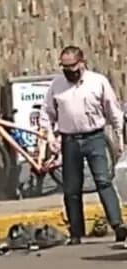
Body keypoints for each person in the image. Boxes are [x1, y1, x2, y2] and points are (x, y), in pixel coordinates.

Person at [39, 46, 126, 245]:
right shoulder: (57, 85)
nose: (69, 71)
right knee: (71, 188)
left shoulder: (97, 82)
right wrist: (51, 139)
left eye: (72, 66)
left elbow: (113, 111)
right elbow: (46, 114)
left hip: (95, 137)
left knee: (103, 180)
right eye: (65, 67)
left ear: (82, 63)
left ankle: (117, 224)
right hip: (69, 140)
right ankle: (76, 233)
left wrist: (120, 138)